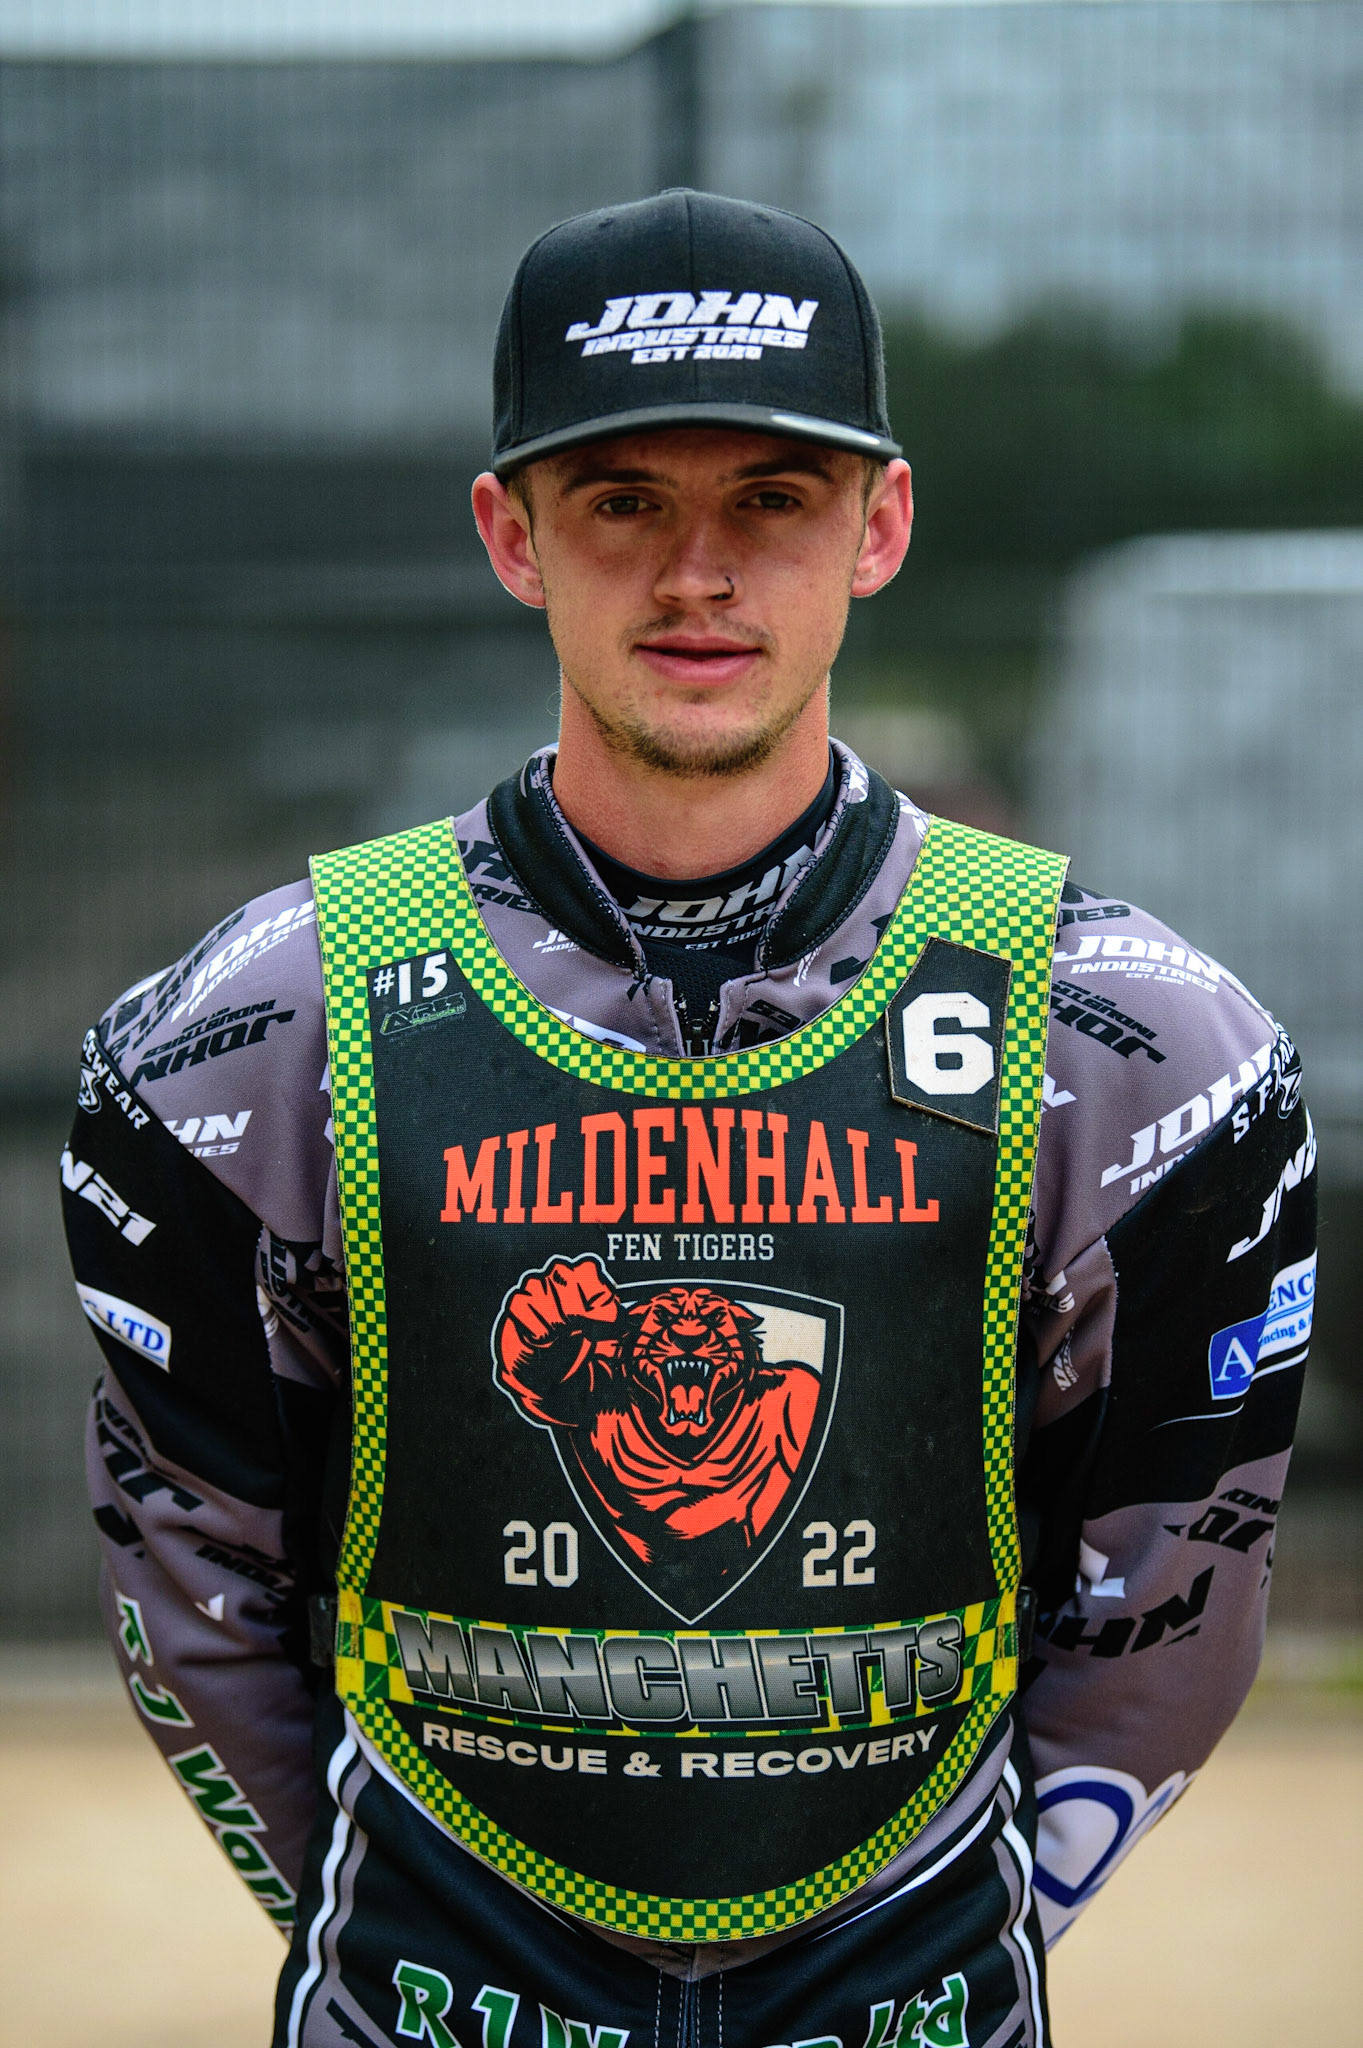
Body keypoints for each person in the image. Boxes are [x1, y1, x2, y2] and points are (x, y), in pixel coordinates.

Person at [63, 190, 1315, 2048]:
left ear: (880, 523)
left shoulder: (1146, 1050)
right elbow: (198, 1579)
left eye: (772, 501)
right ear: (513, 535)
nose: (698, 575)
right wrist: (388, 1898)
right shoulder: (247, 1039)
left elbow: (1169, 1592)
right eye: (624, 501)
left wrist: (942, 1923)